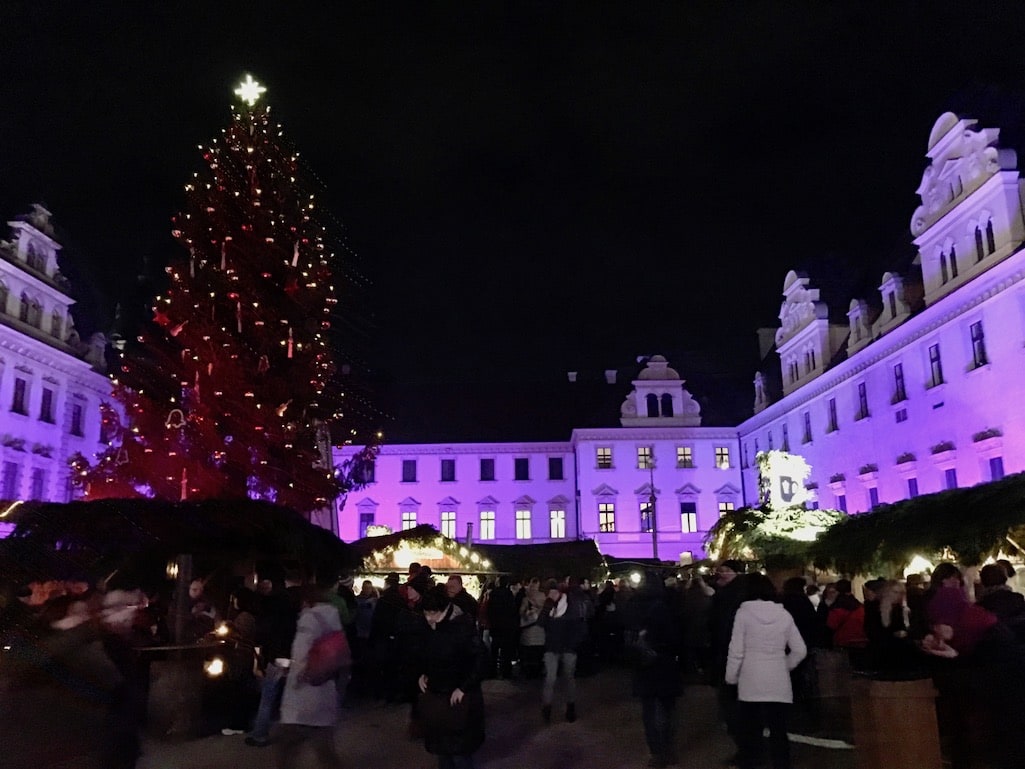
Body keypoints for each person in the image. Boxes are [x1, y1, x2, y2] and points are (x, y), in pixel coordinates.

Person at [725, 573, 807, 769]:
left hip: (750, 678)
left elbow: (736, 650)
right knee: (779, 729)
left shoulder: (743, 613)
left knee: (750, 729)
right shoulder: (784, 614)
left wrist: (731, 677)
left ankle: (751, 763)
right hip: (778, 678)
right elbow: (800, 650)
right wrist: (784, 665)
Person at [275, 584, 345, 769]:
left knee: (286, 748)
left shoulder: (309, 619)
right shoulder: (332, 617)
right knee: (325, 750)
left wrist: (293, 676)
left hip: (303, 697)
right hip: (326, 688)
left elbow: (301, 654)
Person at [417, 586, 487, 769]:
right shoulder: (430, 627)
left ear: (446, 608)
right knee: (443, 754)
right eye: (426, 613)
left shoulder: (462, 627)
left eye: (434, 613)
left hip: (459, 700)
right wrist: (423, 674)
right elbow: (427, 655)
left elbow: (480, 661)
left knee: (459, 754)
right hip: (438, 698)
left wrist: (464, 687)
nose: (429, 618)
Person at [626, 571, 683, 768]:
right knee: (669, 709)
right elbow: (676, 635)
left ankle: (656, 752)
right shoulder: (668, 604)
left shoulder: (634, 604)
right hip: (666, 662)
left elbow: (628, 633)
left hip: (645, 663)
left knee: (649, 711)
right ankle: (669, 749)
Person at [538, 578, 588, 723]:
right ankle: (546, 708)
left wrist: (574, 643)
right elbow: (541, 622)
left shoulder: (571, 604)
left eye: (553, 593)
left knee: (569, 678)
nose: (551, 595)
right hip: (552, 647)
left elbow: (579, 626)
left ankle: (570, 708)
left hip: (568, 647)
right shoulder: (549, 606)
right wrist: (548, 604)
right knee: (550, 678)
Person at [484, 575, 519, 679]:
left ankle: (493, 671)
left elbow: (489, 610)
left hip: (495, 626)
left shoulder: (493, 594)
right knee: (506, 651)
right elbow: (513, 611)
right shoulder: (509, 595)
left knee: (494, 650)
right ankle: (506, 672)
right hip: (506, 628)